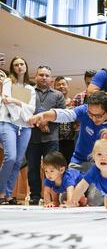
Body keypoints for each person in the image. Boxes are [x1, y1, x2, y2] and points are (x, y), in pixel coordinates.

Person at [28, 91, 107, 206]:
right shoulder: (84, 111)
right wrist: (43, 115)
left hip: (102, 166)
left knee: (94, 201)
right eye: (91, 114)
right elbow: (66, 114)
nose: (94, 119)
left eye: (98, 116)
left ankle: (91, 195)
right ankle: (82, 196)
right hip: (80, 160)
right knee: (67, 198)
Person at [25, 65, 65, 205]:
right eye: (41, 75)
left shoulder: (58, 95)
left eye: (47, 75)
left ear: (51, 79)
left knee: (53, 168)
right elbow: (22, 111)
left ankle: (53, 195)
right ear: (35, 77)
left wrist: (46, 123)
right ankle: (35, 196)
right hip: (31, 137)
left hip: (51, 137)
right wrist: (40, 123)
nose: (44, 77)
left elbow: (61, 115)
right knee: (33, 167)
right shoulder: (27, 92)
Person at [0, 57, 36, 205]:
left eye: (22, 64)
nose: (19, 67)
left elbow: (31, 108)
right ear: (12, 68)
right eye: (16, 65)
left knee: (18, 162)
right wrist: (21, 108)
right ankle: (1, 191)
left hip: (25, 127)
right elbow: (6, 100)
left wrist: (16, 101)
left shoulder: (30, 88)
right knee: (10, 157)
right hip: (8, 122)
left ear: (26, 66)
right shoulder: (8, 82)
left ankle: (8, 195)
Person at [54, 76, 75, 163]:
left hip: (72, 140)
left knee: (71, 165)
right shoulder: (52, 104)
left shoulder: (75, 102)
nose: (61, 86)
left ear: (68, 87)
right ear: (54, 88)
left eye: (63, 84)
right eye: (58, 85)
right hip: (55, 140)